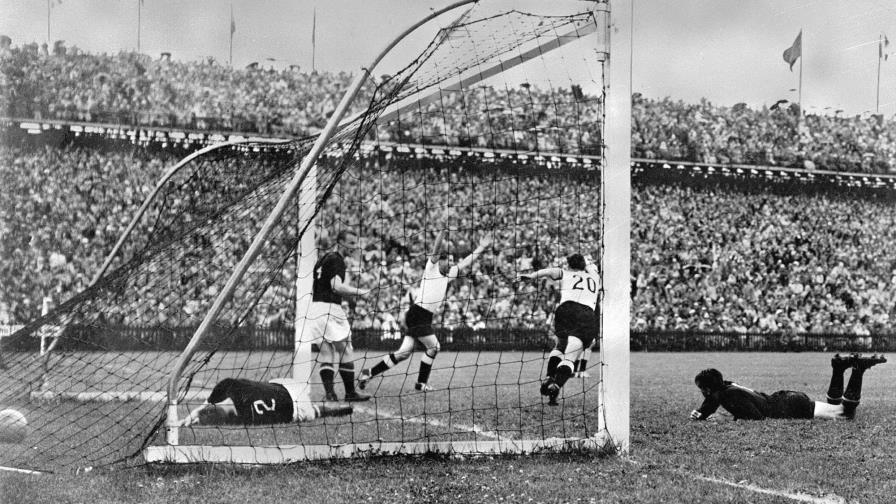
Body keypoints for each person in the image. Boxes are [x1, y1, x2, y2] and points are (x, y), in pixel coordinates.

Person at [359, 230, 491, 392]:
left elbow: (466, 262)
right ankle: (421, 383)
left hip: (423, 317)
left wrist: (481, 247)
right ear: (440, 261)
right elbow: (435, 251)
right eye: (448, 260)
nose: (451, 263)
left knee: (403, 353)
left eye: (451, 261)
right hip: (417, 314)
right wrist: (442, 234)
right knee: (434, 347)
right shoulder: (431, 268)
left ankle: (368, 373)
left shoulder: (448, 275)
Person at [690, 353, 887, 421]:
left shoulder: (727, 396)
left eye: (702, 389)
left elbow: (756, 417)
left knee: (845, 415)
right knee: (837, 409)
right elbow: (711, 400)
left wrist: (726, 418)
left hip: (788, 406)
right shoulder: (727, 386)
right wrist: (703, 412)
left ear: (707, 389)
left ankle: (857, 370)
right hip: (786, 399)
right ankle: (838, 368)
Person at [519, 253, 600, 406]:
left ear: (569, 265)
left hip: (565, 309)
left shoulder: (567, 273)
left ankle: (549, 376)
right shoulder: (595, 277)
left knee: (560, 346)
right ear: (585, 265)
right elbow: (591, 269)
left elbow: (550, 271)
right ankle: (556, 385)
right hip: (586, 313)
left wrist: (531, 276)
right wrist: (589, 264)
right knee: (571, 356)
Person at [309, 230, 371, 402]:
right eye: (351, 243)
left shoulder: (323, 259)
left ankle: (330, 394)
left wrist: (350, 299)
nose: (354, 246)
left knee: (326, 352)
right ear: (341, 242)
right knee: (345, 350)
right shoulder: (337, 260)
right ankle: (350, 393)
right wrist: (361, 292)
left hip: (315, 309)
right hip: (330, 309)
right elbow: (336, 286)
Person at [182, 377, 353, 426]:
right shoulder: (233, 388)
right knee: (270, 382)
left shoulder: (245, 419)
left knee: (314, 412)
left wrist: (198, 415)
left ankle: (327, 410)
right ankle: (331, 410)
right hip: (290, 387)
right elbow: (224, 386)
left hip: (296, 412)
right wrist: (198, 410)